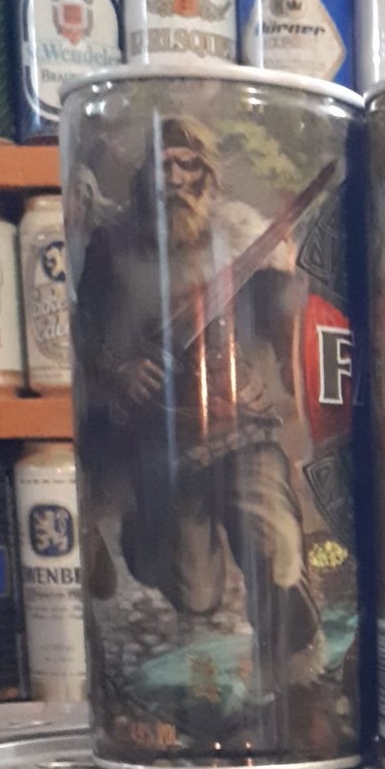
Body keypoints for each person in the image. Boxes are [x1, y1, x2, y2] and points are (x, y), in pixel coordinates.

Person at [73, 114, 323, 682]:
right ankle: (144, 538)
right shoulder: (114, 247)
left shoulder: (240, 235)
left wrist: (279, 380)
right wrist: (121, 372)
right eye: (164, 166)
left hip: (241, 421)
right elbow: (85, 337)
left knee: (277, 545)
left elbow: (286, 323)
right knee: (195, 591)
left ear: (207, 175)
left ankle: (294, 672)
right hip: (164, 435)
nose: (176, 179)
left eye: (188, 166)